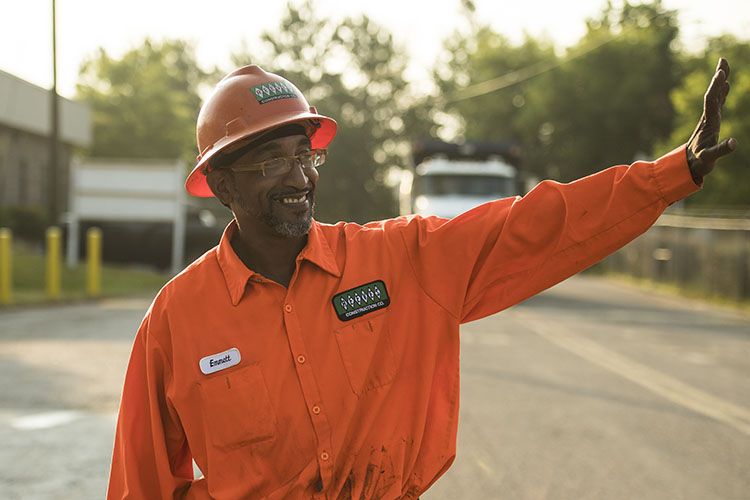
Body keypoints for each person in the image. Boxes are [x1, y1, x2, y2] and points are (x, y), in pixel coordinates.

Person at [106, 60, 736, 499]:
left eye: (305, 154)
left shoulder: (401, 262)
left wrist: (671, 174)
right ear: (220, 185)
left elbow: (541, 225)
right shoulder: (175, 321)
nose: (299, 177)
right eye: (272, 159)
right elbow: (141, 482)